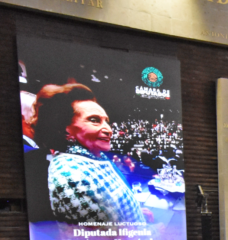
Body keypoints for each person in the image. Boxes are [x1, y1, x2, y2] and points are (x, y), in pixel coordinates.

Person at [34, 83, 147, 224]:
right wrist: (156, 232)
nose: (108, 129)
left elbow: (110, 208)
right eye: (94, 120)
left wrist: (135, 211)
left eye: (107, 121)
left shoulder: (95, 157)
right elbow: (110, 238)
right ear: (65, 128)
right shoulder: (68, 172)